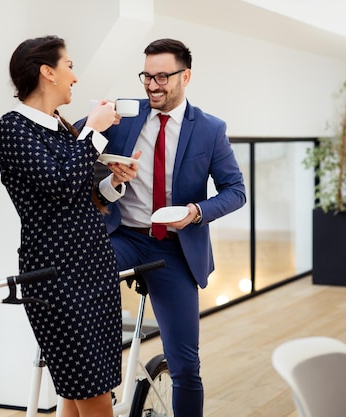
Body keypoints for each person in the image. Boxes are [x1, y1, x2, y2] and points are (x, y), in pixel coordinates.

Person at [92, 38, 246, 416]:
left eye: (163, 76)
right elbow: (76, 146)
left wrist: (195, 211)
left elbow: (236, 191)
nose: (152, 85)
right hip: (123, 236)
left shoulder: (209, 129)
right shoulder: (124, 117)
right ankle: (97, 379)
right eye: (147, 75)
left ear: (185, 76)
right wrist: (95, 124)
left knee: (186, 366)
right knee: (83, 282)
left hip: (173, 248)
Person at [0, 35, 137, 417]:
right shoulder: (13, 128)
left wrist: (112, 183)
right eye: (69, 66)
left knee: (86, 388)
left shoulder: (60, 128)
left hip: (93, 268)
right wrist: (92, 130)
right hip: (56, 277)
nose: (75, 76)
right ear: (47, 72)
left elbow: (77, 199)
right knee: (89, 388)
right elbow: (59, 184)